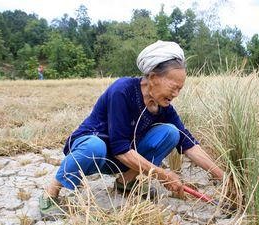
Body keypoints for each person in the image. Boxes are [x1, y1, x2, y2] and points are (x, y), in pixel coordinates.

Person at [39, 40, 226, 217]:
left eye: (180, 89)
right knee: (94, 146)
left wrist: (224, 178)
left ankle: (125, 182)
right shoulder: (123, 90)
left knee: (171, 133)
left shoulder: (164, 108)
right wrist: (162, 175)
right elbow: (120, 148)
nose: (176, 94)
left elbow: (188, 143)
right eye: (173, 87)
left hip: (123, 157)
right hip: (92, 152)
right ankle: (51, 193)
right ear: (153, 77)